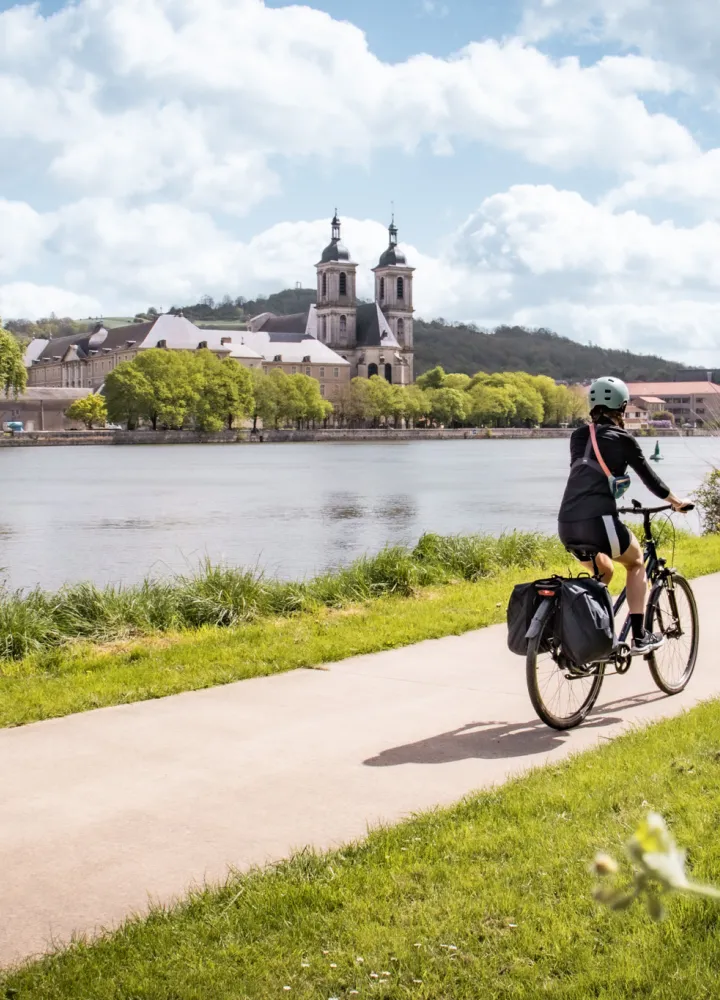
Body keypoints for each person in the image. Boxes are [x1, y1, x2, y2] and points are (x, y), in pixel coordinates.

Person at [558, 376, 692, 654]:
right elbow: (652, 482)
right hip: (599, 523)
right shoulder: (623, 439)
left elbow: (585, 476)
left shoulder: (578, 435)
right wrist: (677, 502)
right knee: (636, 563)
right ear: (622, 406)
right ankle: (640, 636)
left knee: (604, 571)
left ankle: (588, 631)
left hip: (567, 524)